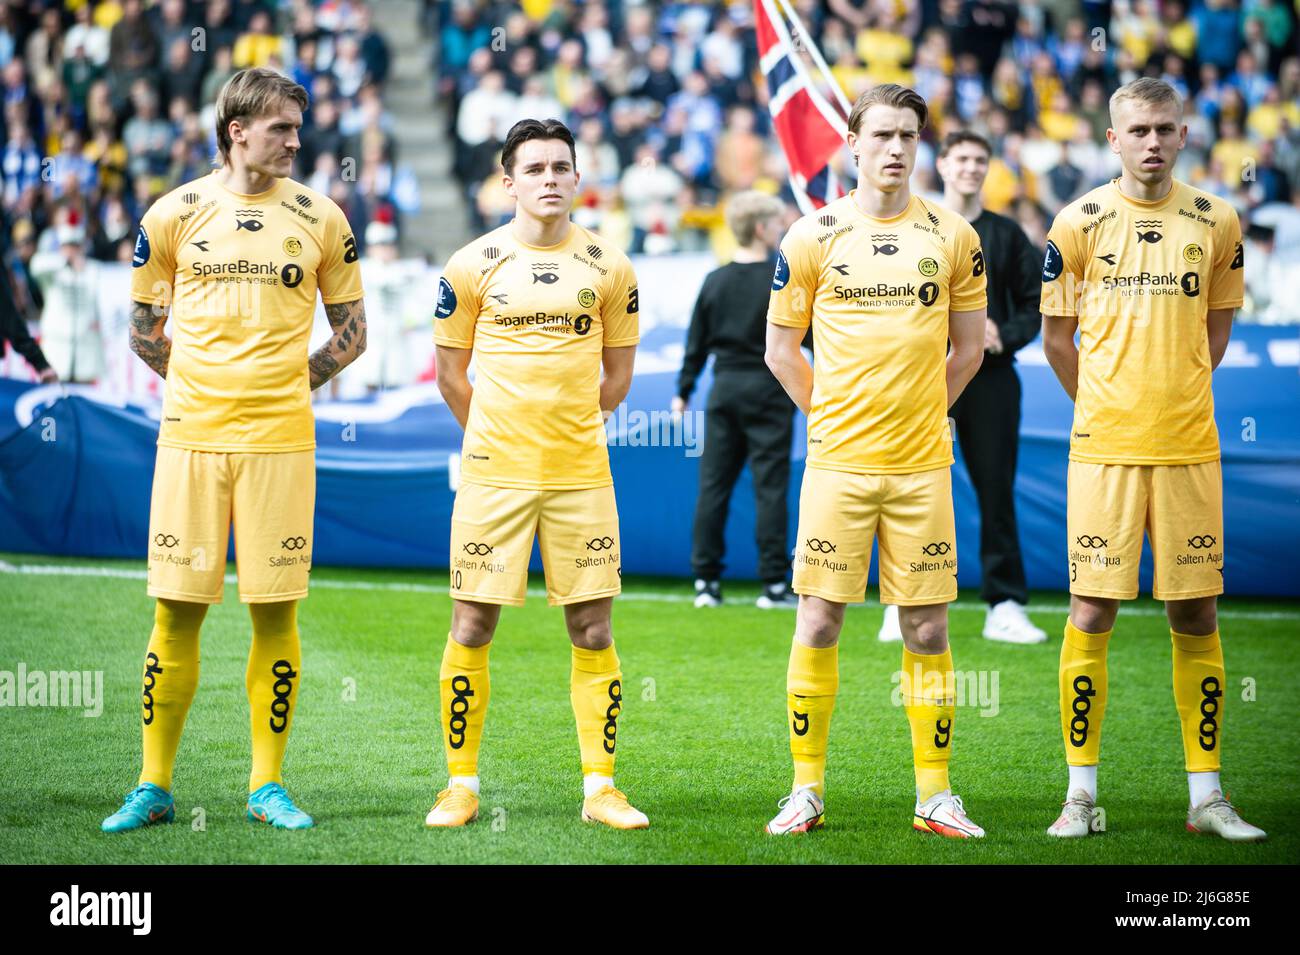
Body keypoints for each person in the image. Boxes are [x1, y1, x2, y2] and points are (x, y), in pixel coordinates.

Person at [102, 68, 367, 833]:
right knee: (176, 612)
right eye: (281, 127)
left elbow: (354, 333)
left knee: (273, 613)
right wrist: (200, 383)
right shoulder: (173, 213)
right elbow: (144, 331)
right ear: (236, 131)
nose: (295, 139)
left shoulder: (321, 216)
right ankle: (152, 784)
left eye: (297, 126)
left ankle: (267, 784)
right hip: (190, 437)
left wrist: (289, 384)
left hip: (281, 442)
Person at [1040, 77, 1265, 841]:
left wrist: (1172, 395)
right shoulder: (1078, 223)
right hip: (1104, 450)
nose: (1153, 142)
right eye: (1138, 130)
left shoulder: (1217, 219)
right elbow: (1057, 340)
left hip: (1189, 448)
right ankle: (1079, 797)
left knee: (1195, 610)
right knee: (1092, 609)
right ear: (1113, 138)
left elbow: (1217, 328)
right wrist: (1105, 405)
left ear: (1183, 132)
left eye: (1165, 128)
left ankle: (1207, 797)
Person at [764, 85, 988, 837]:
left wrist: (925, 411)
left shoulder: (954, 235)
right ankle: (805, 790)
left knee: (926, 628)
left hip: (922, 463)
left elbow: (967, 351)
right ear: (852, 142)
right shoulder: (812, 235)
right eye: (883, 134)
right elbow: (779, 350)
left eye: (909, 136)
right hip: (837, 464)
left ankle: (935, 795)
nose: (896, 149)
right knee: (820, 617)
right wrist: (830, 416)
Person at [428, 118, 647, 830]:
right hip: (494, 474)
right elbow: (451, 376)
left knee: (591, 626)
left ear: (577, 177)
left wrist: (566, 432)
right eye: (535, 168)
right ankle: (460, 785)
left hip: (581, 471)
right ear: (509, 181)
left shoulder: (612, 268)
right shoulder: (471, 263)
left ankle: (601, 787)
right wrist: (495, 438)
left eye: (561, 166)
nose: (549, 178)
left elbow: (616, 379)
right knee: (472, 620)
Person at [878, 131, 1047, 644]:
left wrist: (1002, 336)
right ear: (943, 165)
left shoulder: (1008, 234)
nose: (971, 168)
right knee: (911, 489)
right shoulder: (916, 227)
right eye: (962, 159)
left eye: (980, 160)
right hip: (921, 380)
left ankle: (1005, 604)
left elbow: (1035, 303)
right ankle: (901, 599)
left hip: (992, 381)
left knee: (996, 490)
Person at [674, 190, 798, 610]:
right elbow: (807, 339)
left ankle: (706, 582)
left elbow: (696, 342)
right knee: (771, 488)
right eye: (778, 223)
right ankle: (773, 585)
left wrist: (683, 391)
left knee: (713, 487)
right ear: (762, 228)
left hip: (724, 389)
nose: (782, 229)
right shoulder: (781, 281)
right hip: (769, 390)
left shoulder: (715, 279)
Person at [28, 217, 106, 384]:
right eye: (67, 246)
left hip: (84, 354)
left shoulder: (92, 270)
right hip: (57, 352)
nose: (71, 250)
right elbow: (35, 266)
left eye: (75, 246)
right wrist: (64, 261)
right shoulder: (52, 269)